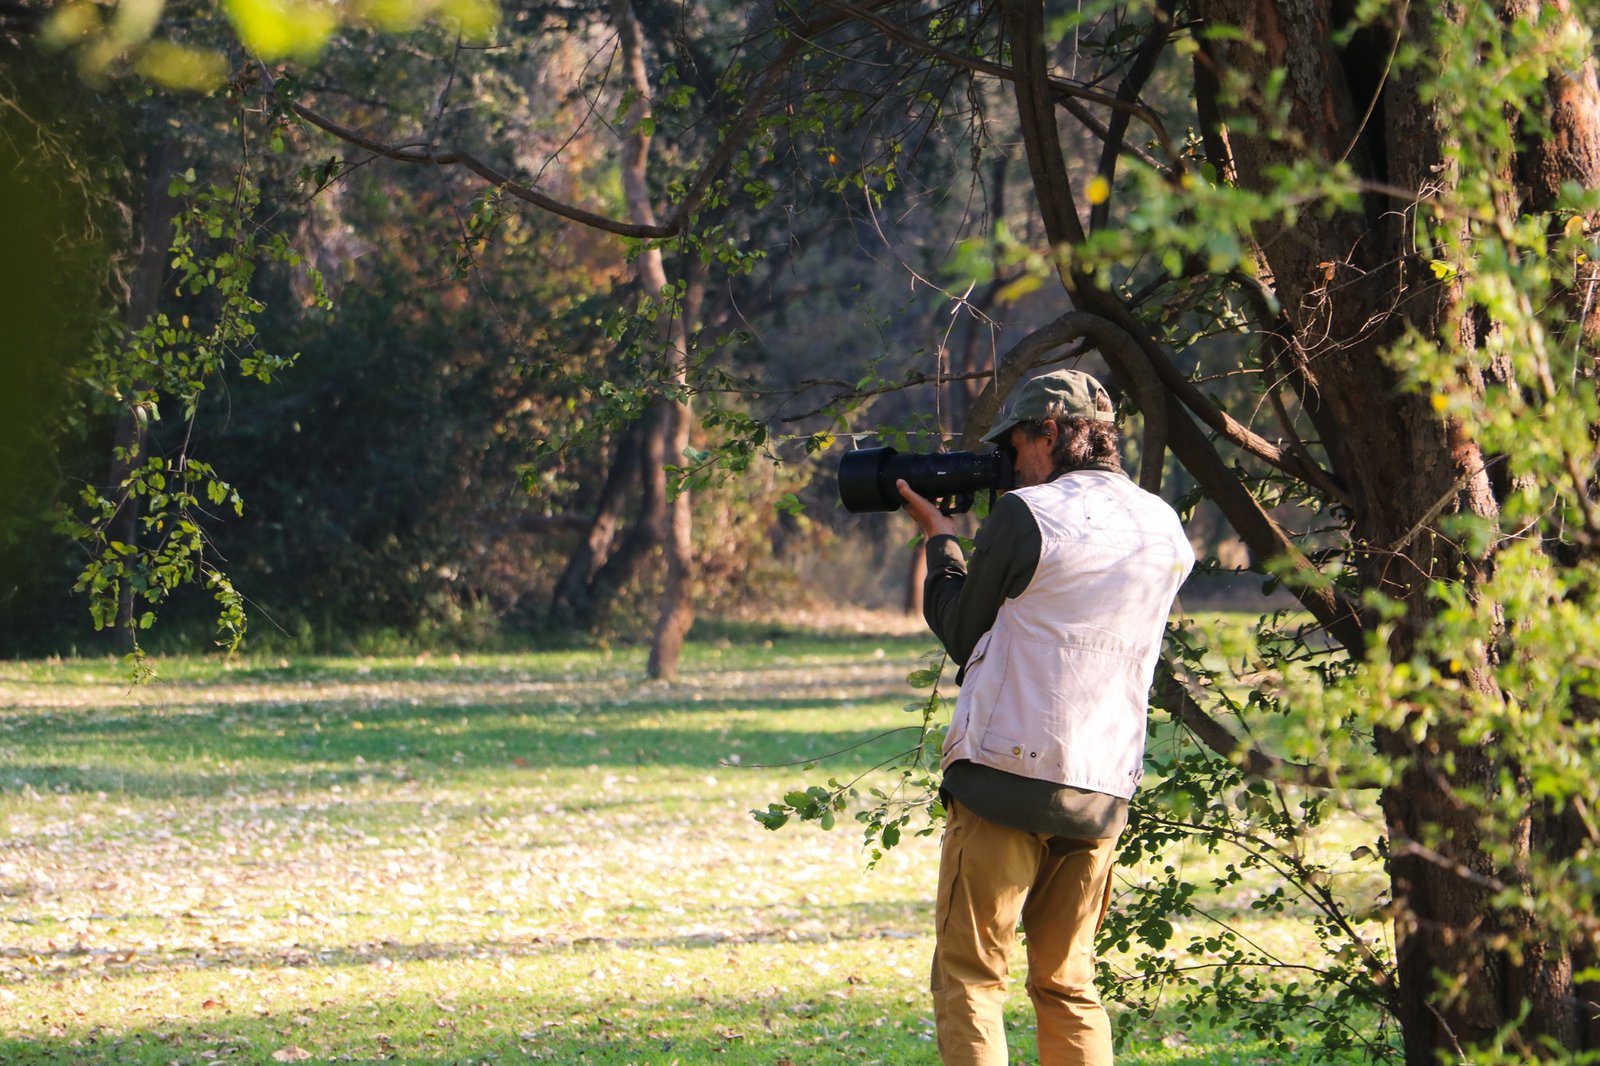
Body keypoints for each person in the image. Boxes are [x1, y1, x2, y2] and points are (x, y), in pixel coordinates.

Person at [895, 368, 1194, 1066]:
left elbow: (964, 631)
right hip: (1100, 789)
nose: (1011, 465)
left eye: (1018, 445)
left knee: (971, 976)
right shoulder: (1164, 527)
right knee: (1068, 984)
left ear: (1052, 432)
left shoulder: (1028, 515)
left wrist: (941, 539)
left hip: (1004, 776)